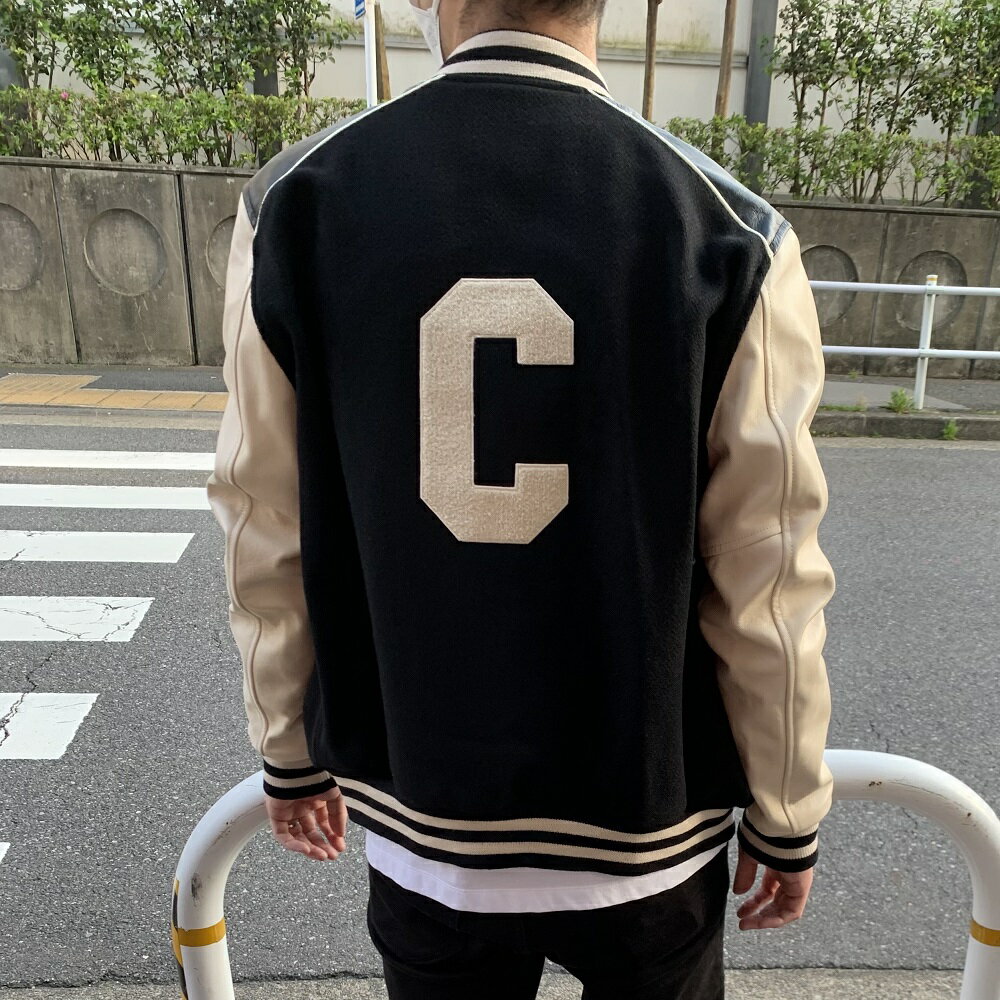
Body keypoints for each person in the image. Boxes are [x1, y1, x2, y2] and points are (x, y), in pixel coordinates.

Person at [206, 0, 837, 996]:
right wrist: (786, 807)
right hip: (647, 829)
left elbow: (262, 517)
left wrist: (289, 749)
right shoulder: (727, 228)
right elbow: (767, 569)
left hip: (427, 821)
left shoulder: (300, 202)